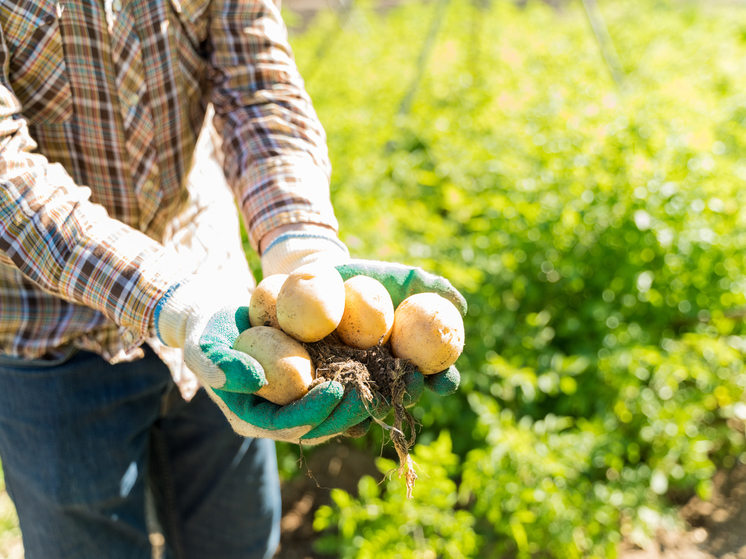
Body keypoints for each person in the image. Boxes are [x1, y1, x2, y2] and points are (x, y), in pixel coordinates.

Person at [0, 0, 466, 557]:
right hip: (48, 334)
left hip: (223, 313)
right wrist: (174, 303)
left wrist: (303, 248)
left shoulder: (243, 330)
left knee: (238, 542)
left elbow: (258, 88)